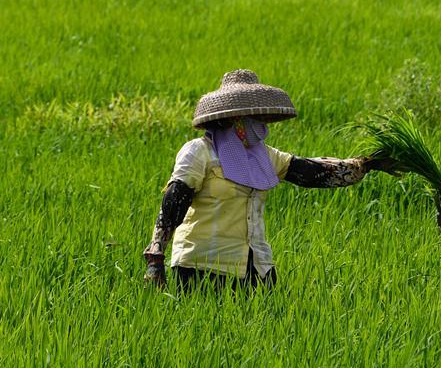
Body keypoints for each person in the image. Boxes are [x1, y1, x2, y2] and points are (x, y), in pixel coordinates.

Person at [143, 69, 386, 291]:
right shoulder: (199, 152)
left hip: (256, 267)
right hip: (202, 267)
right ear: (235, 118)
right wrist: (156, 256)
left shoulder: (264, 155)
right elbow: (174, 201)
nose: (260, 124)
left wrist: (366, 164)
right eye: (253, 117)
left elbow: (312, 171)